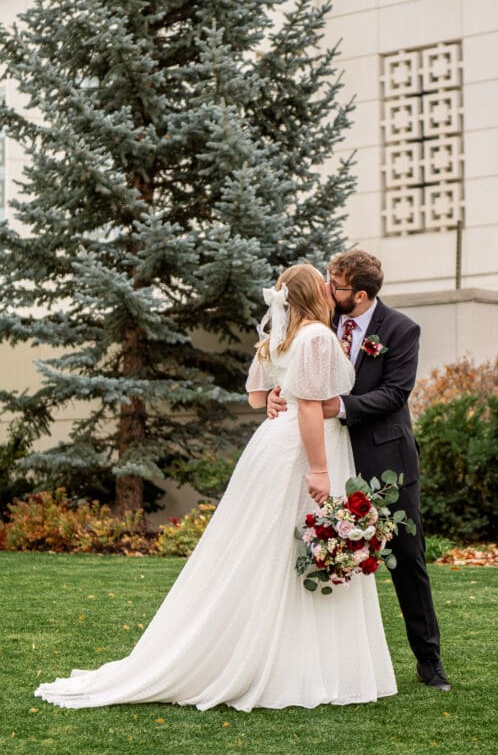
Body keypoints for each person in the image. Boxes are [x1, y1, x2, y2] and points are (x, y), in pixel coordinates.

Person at [34, 263, 397, 712]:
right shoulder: (317, 337)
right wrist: (320, 471)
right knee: (290, 548)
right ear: (313, 295)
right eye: (323, 283)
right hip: (305, 451)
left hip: (271, 447)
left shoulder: (277, 339)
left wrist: (274, 399)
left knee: (275, 549)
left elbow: (255, 396)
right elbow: (308, 410)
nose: (329, 287)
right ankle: (294, 666)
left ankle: (286, 654)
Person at [268, 250, 451, 692]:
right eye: (329, 280)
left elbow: (395, 393)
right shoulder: (319, 324)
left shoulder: (402, 330)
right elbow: (294, 374)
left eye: (338, 285)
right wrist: (278, 396)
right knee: (318, 552)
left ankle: (429, 661)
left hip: (385, 460)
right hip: (327, 457)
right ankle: (330, 662)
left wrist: (341, 406)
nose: (329, 289)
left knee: (407, 559)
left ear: (362, 294)